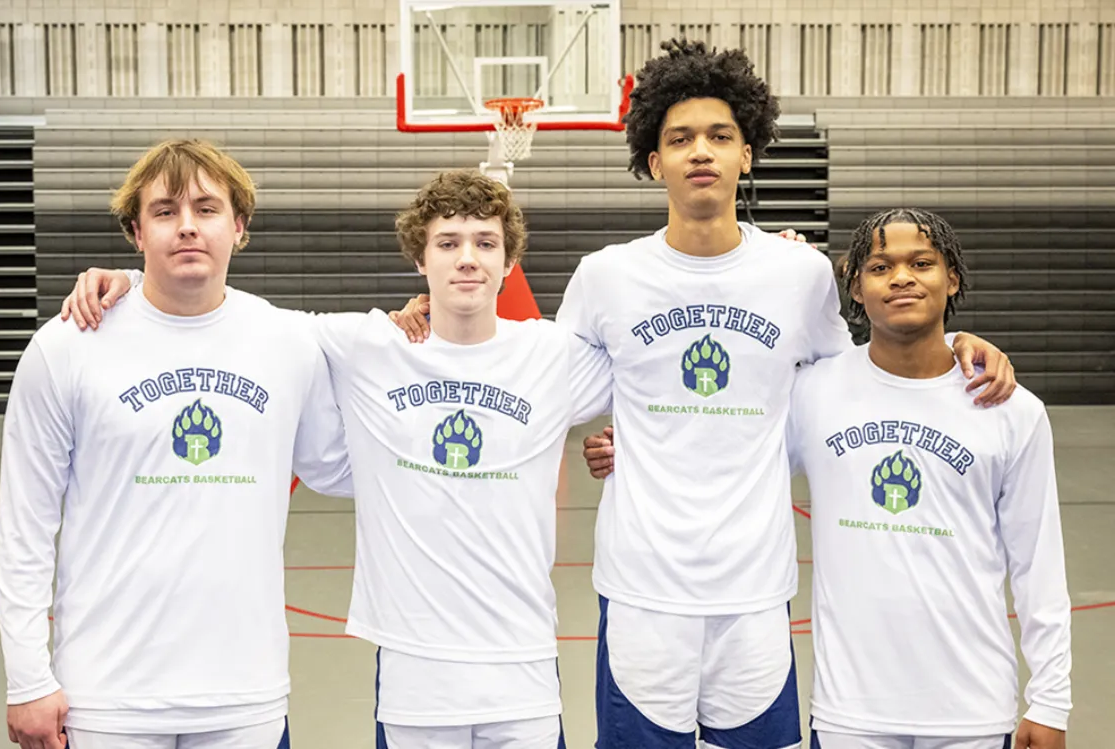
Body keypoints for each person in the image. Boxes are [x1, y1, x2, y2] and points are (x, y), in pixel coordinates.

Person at [430, 38, 1015, 749]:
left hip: (755, 591)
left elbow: (861, 380)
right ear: (654, 161)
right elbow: (530, 370)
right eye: (680, 139)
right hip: (642, 590)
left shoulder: (798, 274)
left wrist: (955, 346)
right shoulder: (607, 275)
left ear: (747, 153)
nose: (700, 151)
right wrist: (430, 311)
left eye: (719, 136)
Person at [59, 169, 614, 749]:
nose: (467, 259)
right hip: (413, 679)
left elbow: (650, 381)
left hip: (524, 671)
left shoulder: (552, 355)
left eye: (486, 243)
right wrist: (129, 282)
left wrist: (624, 441)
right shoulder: (367, 345)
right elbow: (234, 316)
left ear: (509, 260)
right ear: (420, 260)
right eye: (448, 244)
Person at [586, 208, 1071, 749]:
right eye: (881, 267)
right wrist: (630, 445)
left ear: (952, 278)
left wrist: (1051, 699)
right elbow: (723, 436)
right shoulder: (814, 393)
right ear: (855, 288)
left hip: (974, 712)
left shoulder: (1010, 409)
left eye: (922, 263)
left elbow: (1039, 565)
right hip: (848, 715)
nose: (902, 278)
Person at [0, 140, 352, 749]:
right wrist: (27, 678)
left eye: (207, 209)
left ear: (239, 227)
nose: (187, 226)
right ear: (136, 233)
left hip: (245, 697)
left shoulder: (288, 341)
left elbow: (339, 469)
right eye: (165, 211)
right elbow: (24, 528)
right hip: (107, 699)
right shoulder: (68, 346)